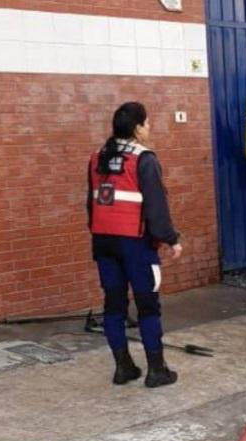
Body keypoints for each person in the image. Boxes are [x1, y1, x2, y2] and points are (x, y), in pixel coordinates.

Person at [87, 102, 181, 387]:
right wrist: (171, 239)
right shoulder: (144, 159)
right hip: (135, 244)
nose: (150, 128)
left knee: (114, 305)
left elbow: (89, 204)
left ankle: (123, 367)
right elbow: (156, 206)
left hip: (103, 242)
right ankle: (156, 371)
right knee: (148, 306)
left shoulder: (97, 157)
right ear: (137, 128)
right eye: (148, 123)